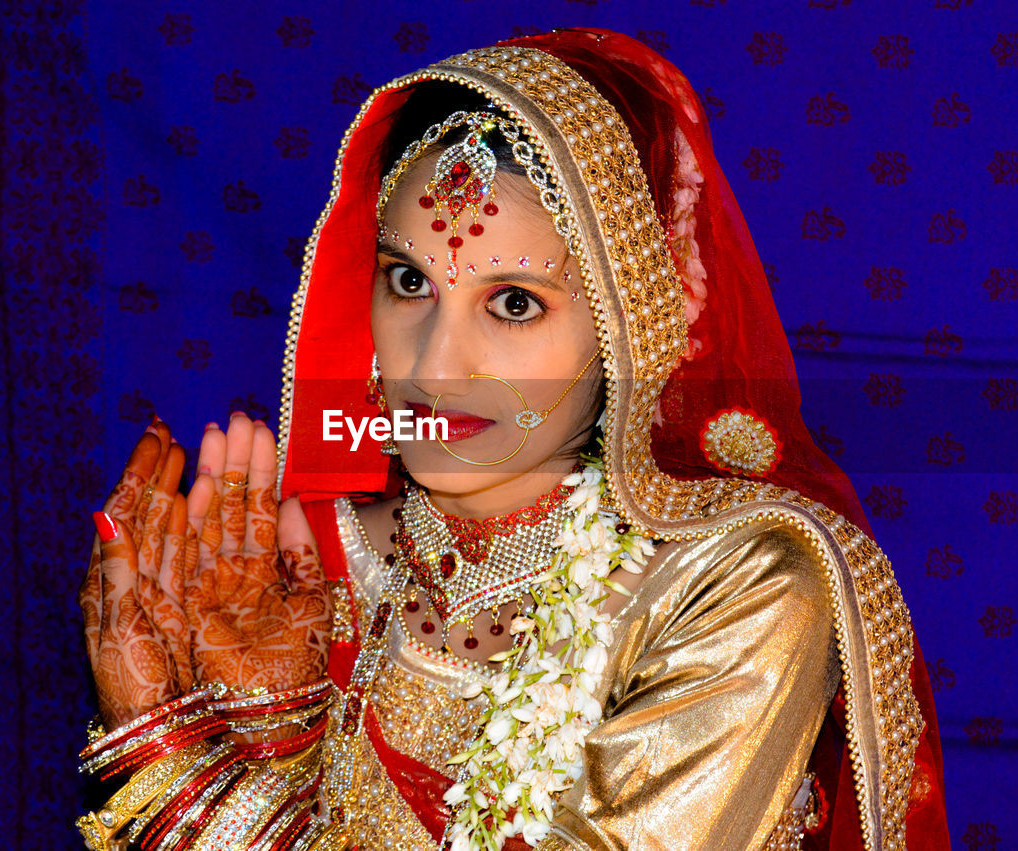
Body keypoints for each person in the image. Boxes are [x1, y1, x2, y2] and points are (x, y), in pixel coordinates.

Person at [76, 28, 950, 851]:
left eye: (515, 302)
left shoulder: (733, 584)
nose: (437, 363)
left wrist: (183, 780)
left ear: (630, 326)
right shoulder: (310, 554)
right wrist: (280, 733)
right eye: (410, 281)